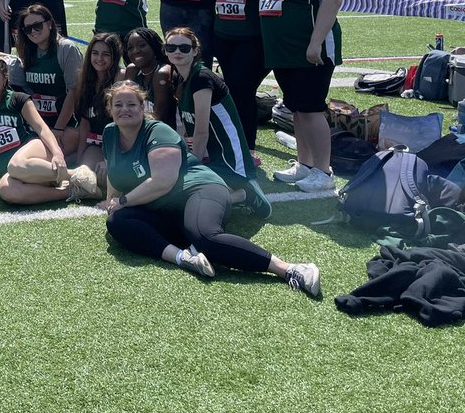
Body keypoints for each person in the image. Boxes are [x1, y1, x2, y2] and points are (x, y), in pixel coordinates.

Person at [98, 80, 321, 296]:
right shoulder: (110, 133)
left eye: (131, 104)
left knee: (205, 237)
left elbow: (162, 181)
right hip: (165, 208)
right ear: (110, 109)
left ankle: (290, 268)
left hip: (198, 189)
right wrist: (112, 201)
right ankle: (184, 258)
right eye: (118, 105)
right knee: (117, 222)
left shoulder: (158, 131)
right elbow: (115, 173)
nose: (124, 109)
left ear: (142, 107)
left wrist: (123, 201)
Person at [259, 0, 344, 193]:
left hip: (310, 51)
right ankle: (304, 164)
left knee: (311, 110)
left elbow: (332, 2)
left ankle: (323, 170)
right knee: (296, 109)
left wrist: (315, 41)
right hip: (284, 51)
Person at [0, 55, 101, 204]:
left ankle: (77, 175)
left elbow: (42, 129)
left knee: (16, 165)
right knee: (7, 190)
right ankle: (73, 191)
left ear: (5, 78)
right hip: (14, 172)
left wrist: (58, 154)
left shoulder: (17, 99)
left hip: (33, 151)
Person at [164, 27, 270, 218]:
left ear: (195, 51)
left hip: (230, 160)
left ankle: (246, 194)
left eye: (184, 48)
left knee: (186, 197)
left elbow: (202, 131)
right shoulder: (182, 78)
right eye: (171, 47)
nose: (177, 52)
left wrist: (192, 168)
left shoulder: (201, 78)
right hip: (210, 156)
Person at [212, 0, 279, 158]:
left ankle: (247, 149)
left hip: (254, 40)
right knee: (234, 91)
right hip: (224, 38)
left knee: (242, 90)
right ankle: (233, 145)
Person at [10, 3, 83, 155]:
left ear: (49, 24)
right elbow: (23, 93)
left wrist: (58, 129)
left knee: (38, 157)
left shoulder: (66, 49)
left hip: (66, 124)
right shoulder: (26, 51)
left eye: (37, 26)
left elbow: (74, 91)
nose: (33, 32)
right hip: (38, 123)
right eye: (27, 29)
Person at [65, 32, 123, 174]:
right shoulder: (85, 80)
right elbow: (85, 125)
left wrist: (110, 159)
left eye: (106, 54)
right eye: (95, 53)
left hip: (119, 147)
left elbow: (123, 125)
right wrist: (79, 159)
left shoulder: (120, 77)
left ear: (114, 57)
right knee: (73, 167)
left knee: (84, 174)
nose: (99, 59)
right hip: (95, 145)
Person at [122, 27, 176, 126]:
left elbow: (159, 117)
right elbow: (124, 104)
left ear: (154, 46)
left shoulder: (162, 73)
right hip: (141, 128)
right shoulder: (132, 70)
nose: (136, 51)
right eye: (130, 48)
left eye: (142, 45)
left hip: (165, 133)